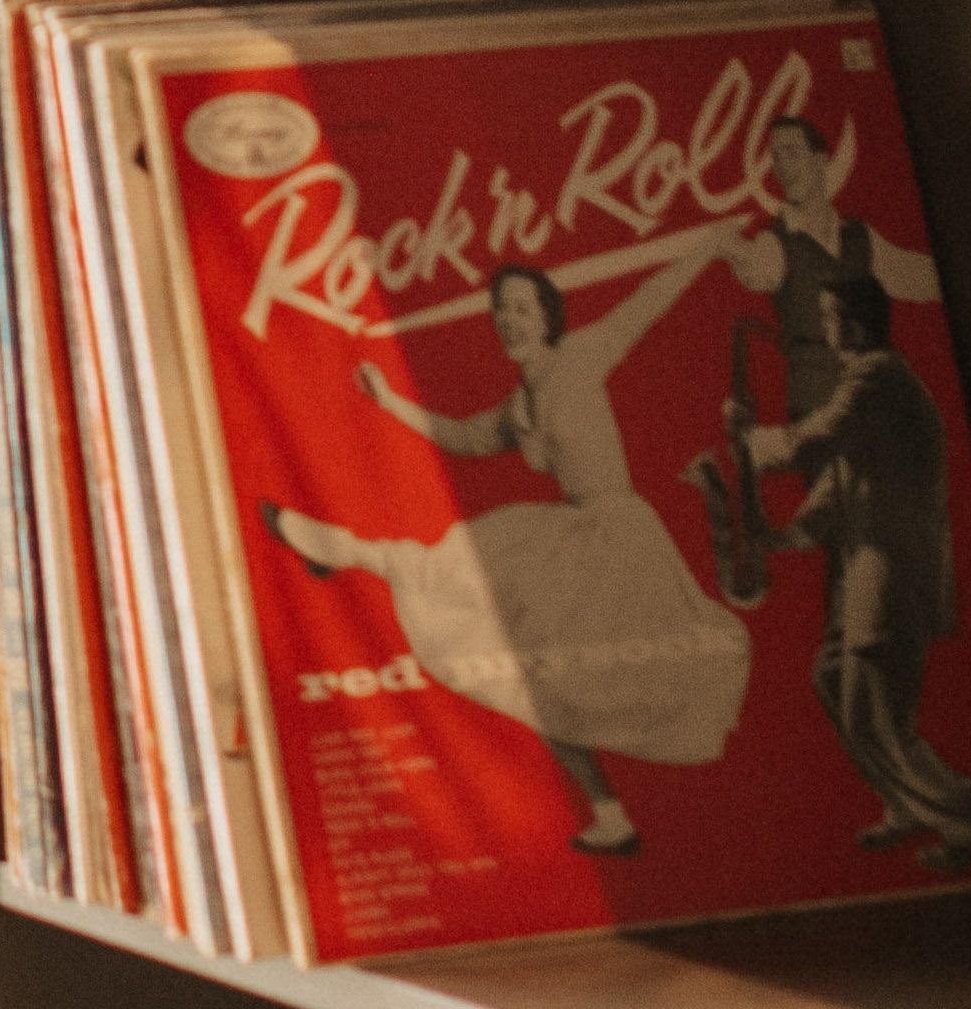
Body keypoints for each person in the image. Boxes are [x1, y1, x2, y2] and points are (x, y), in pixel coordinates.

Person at [264, 231, 751, 857]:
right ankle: (610, 816)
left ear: (546, 315)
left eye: (521, 308)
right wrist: (386, 399)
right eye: (500, 312)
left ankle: (346, 551)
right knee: (535, 680)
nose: (508, 321)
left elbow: (650, 299)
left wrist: (709, 248)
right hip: (572, 537)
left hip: (620, 540)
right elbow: (461, 437)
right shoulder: (518, 404)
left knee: (599, 679)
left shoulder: (582, 354)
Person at [718, 115, 971, 864]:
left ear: (820, 160)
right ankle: (906, 797)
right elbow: (755, 271)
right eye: (770, 155)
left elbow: (921, 277)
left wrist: (760, 450)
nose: (782, 165)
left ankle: (955, 809)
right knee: (838, 663)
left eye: (792, 152)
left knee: (863, 656)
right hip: (843, 466)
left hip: (884, 524)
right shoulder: (779, 243)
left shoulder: (874, 367)